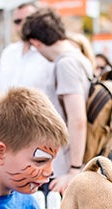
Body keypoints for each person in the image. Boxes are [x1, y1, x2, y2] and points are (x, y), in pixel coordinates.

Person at [21, 6, 92, 195]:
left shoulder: (65, 64)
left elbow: (77, 118)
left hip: (66, 168)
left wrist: (73, 170)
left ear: (36, 42)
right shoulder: (79, 57)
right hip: (72, 164)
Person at [0, 2, 53, 97]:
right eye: (17, 21)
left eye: (28, 20)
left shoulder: (48, 54)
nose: (22, 25)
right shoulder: (8, 53)